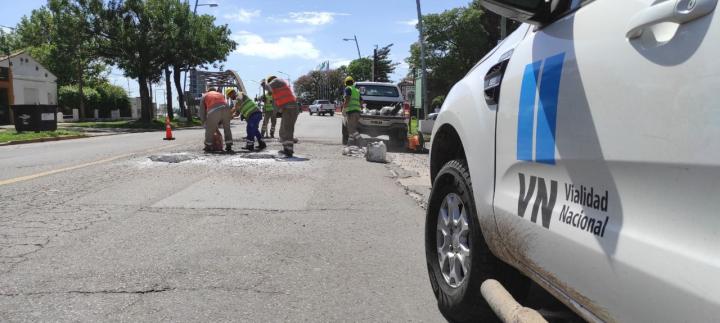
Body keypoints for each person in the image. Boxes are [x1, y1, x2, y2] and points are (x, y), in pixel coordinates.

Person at [262, 75, 299, 157]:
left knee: (287, 130)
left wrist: (264, 84)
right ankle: (287, 147)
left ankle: (289, 150)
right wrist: (275, 113)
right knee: (282, 131)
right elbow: (275, 104)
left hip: (290, 108)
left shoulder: (277, 80)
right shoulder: (276, 91)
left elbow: (268, 87)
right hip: (287, 109)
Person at [199, 87, 233, 153]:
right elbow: (222, 104)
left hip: (214, 109)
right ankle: (229, 145)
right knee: (227, 128)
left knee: (210, 128)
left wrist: (203, 121)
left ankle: (208, 146)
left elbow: (202, 110)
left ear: (208, 91)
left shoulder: (205, 95)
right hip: (226, 108)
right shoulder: (220, 94)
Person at [342, 76, 362, 146]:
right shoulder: (357, 90)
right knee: (352, 128)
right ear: (353, 82)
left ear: (346, 83)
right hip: (357, 111)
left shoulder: (348, 89)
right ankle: (350, 143)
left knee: (351, 128)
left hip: (351, 111)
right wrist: (360, 108)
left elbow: (347, 99)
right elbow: (361, 101)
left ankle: (360, 141)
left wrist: (344, 108)